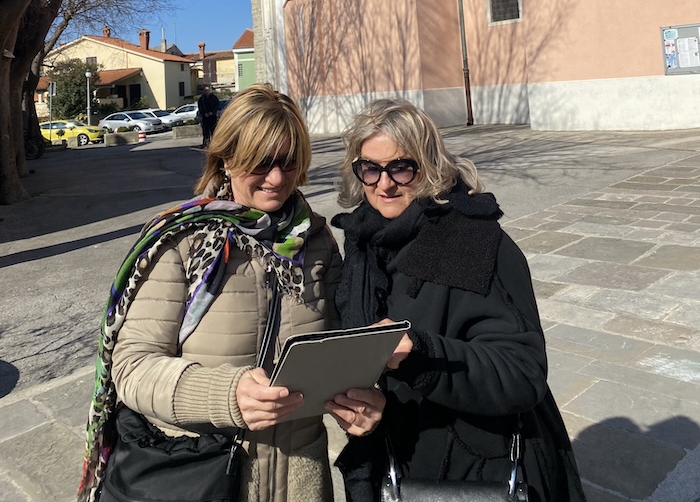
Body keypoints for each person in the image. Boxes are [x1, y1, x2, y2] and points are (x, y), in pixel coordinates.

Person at [78, 84, 384, 502]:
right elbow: (132, 368)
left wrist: (361, 398)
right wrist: (226, 394)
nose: (277, 179)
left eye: (289, 162)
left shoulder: (316, 239)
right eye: (260, 163)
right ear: (226, 159)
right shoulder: (183, 241)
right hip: (201, 474)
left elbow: (336, 349)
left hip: (300, 478)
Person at [331, 98, 587, 502]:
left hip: (478, 466)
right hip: (396, 461)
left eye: (401, 166)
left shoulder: (476, 241)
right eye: (370, 169)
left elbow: (522, 373)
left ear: (429, 165)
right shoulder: (364, 244)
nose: (384, 184)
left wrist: (420, 353)